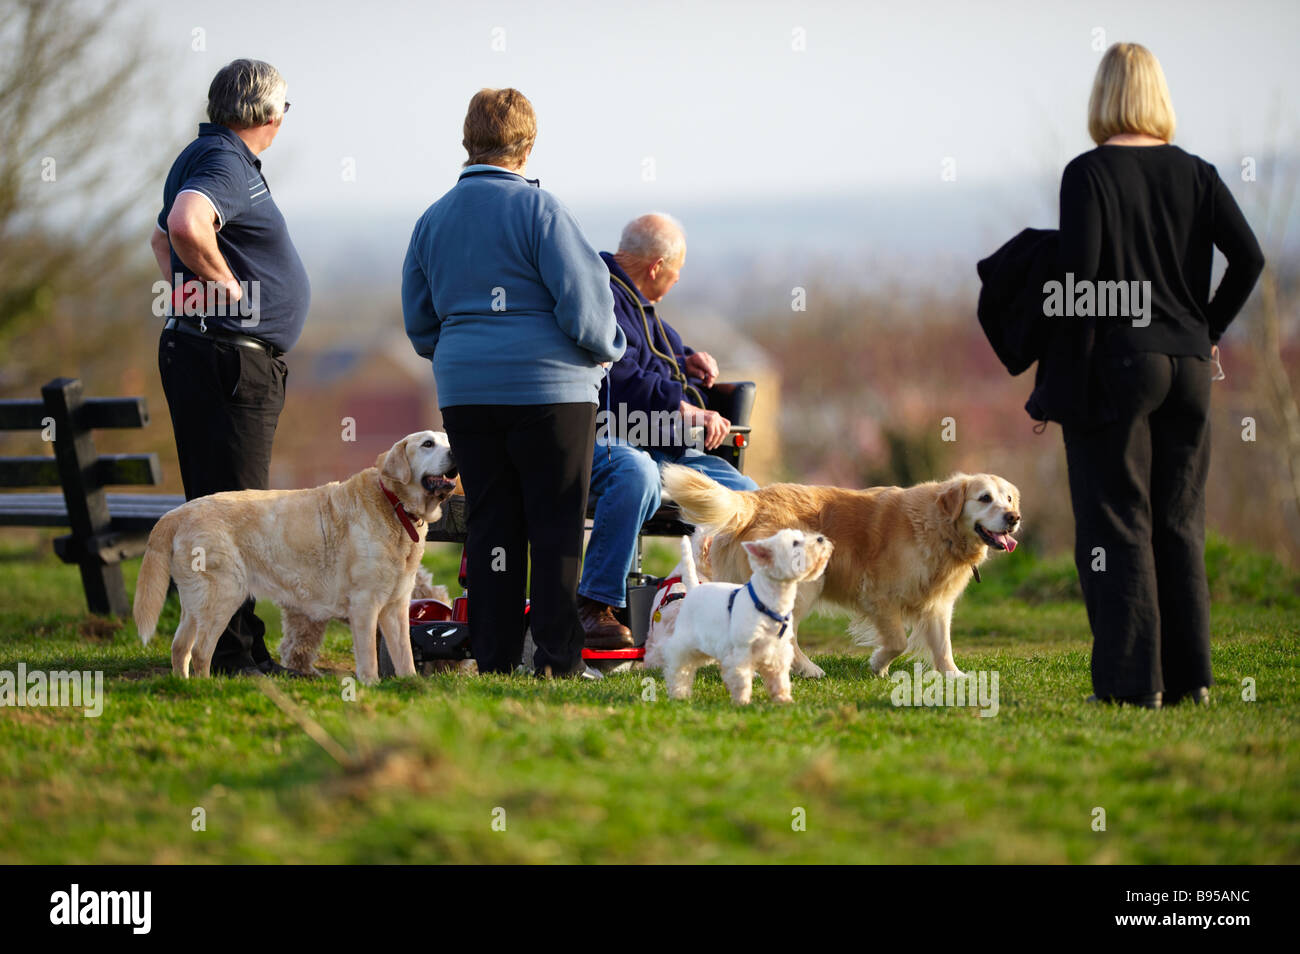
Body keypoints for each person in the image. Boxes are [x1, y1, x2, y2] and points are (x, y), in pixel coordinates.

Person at [1057, 43, 1264, 708]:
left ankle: (1129, 686)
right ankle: (1192, 681)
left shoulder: (1088, 175)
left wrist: (1060, 383)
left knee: (1118, 520)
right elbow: (1250, 258)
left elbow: (1082, 288)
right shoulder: (1198, 174)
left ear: (1103, 95)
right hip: (1189, 368)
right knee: (1178, 521)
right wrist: (1205, 331)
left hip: (1122, 365)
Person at [403, 88, 625, 677]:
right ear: (526, 146)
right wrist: (607, 351)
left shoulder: (433, 219)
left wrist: (458, 353)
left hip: (467, 394)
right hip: (551, 394)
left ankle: (495, 657)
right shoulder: (542, 211)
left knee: (491, 523)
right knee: (554, 527)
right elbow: (586, 307)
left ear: (466, 143)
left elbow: (420, 321)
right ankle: (556, 661)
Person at [151, 59, 311, 677]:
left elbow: (162, 242)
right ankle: (236, 655)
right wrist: (231, 294)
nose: (283, 121)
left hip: (207, 354)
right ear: (266, 114)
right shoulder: (228, 164)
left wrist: (194, 299)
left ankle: (230, 645)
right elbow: (184, 226)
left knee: (219, 509)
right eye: (285, 109)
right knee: (237, 514)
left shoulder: (201, 153)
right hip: (229, 364)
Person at [577, 213, 757, 647]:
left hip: (664, 444)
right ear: (657, 267)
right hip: (615, 434)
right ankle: (595, 604)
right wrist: (686, 410)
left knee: (750, 496)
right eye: (675, 274)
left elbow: (660, 350)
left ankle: (744, 608)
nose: (676, 283)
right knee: (635, 475)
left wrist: (690, 358)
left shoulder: (639, 303)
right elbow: (620, 379)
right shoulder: (602, 296)